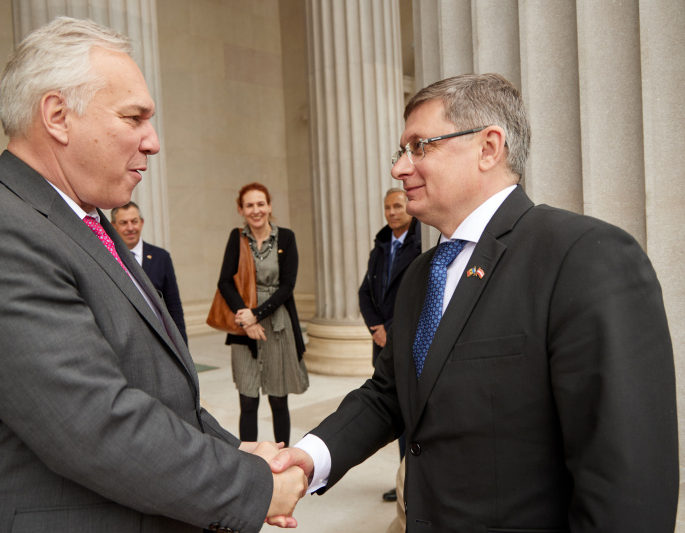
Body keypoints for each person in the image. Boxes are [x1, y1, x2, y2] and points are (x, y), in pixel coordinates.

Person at [0, 17, 306, 533]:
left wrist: (231, 450)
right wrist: (253, 485)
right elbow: (94, 423)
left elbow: (152, 388)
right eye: (135, 118)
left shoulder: (85, 220)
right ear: (58, 116)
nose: (152, 142)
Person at [271, 73, 679, 531]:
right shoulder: (420, 276)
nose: (399, 168)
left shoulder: (585, 257)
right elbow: (390, 395)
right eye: (400, 152)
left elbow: (629, 484)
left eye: (419, 146)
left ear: (489, 148)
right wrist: (308, 458)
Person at [217, 183, 309, 448]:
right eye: (249, 205)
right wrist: (246, 320)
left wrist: (256, 315)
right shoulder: (237, 239)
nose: (255, 210)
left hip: (277, 326)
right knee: (248, 400)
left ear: (269, 206)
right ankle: (250, 463)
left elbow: (287, 287)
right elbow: (225, 282)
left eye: (260, 204)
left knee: (278, 399)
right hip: (242, 325)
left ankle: (283, 458)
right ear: (241, 209)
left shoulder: (286, 238)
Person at [357, 187, 421, 502]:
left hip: (407, 339)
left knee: (415, 414)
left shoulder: (422, 244)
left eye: (397, 206)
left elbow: (418, 297)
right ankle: (405, 480)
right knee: (397, 411)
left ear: (409, 206)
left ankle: (418, 481)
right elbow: (364, 292)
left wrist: (390, 330)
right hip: (382, 342)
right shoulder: (380, 246)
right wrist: (375, 328)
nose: (392, 212)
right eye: (387, 208)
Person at [111, 201, 187, 343]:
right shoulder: (107, 258)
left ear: (142, 222)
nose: (130, 227)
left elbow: (173, 305)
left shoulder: (161, 257)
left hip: (158, 338)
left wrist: (182, 345)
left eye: (134, 221)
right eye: (123, 223)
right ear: (113, 225)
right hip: (124, 341)